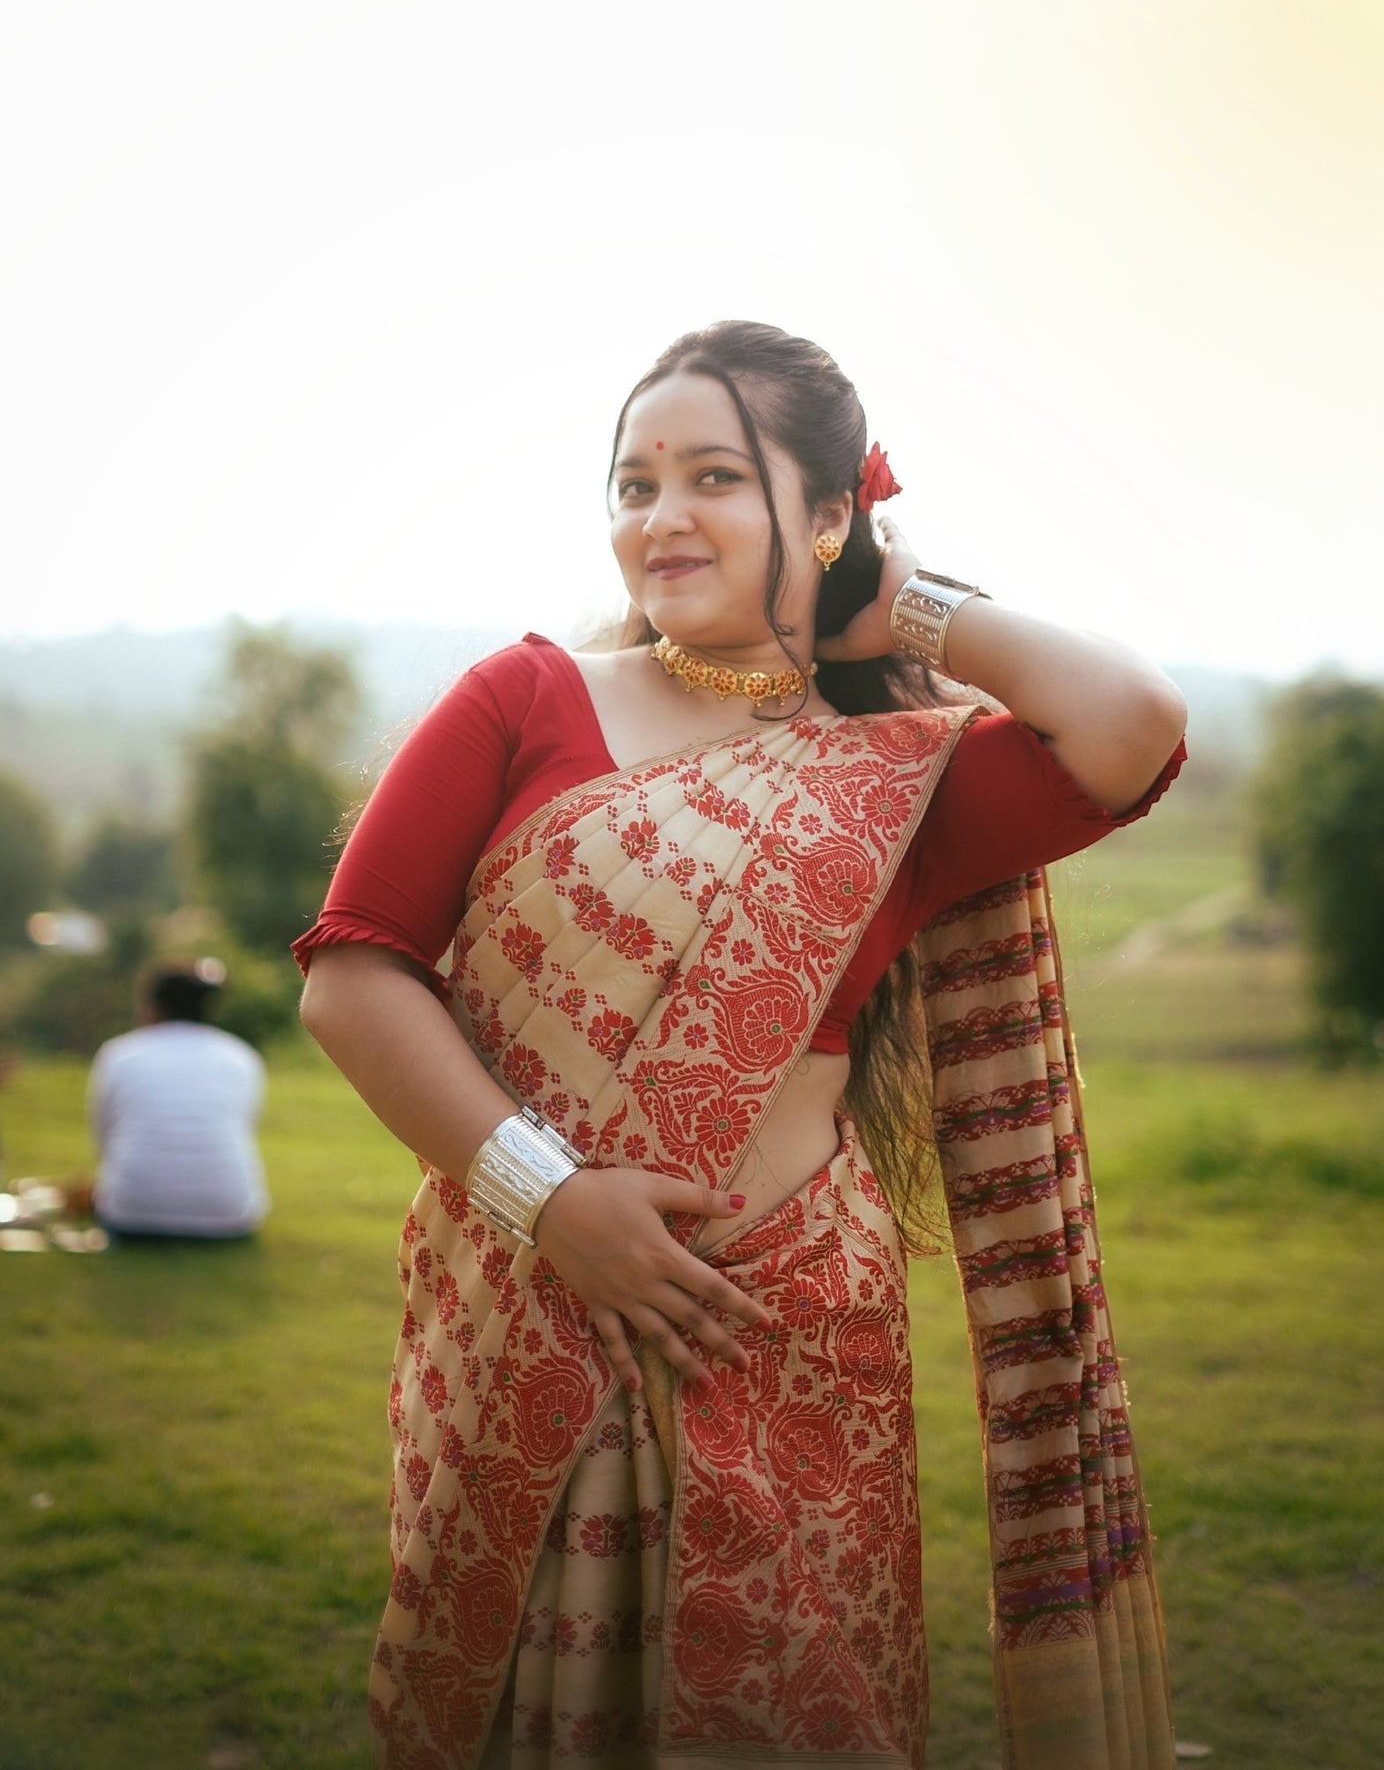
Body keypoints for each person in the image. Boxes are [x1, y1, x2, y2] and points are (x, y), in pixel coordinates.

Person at [294, 321, 1186, 1770]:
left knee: (794, 1706)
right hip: (531, 1295)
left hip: (785, 1326)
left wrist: (898, 609)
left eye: (715, 475)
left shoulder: (896, 775)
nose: (661, 516)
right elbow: (354, 974)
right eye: (632, 482)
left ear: (828, 512)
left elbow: (1129, 726)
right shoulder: (522, 699)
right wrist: (556, 1200)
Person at [90, 964, 269, 1239]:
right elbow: (244, 1127)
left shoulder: (119, 1054)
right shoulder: (241, 1056)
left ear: (153, 1005)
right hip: (228, 1215)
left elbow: (104, 1136)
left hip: (131, 1212)